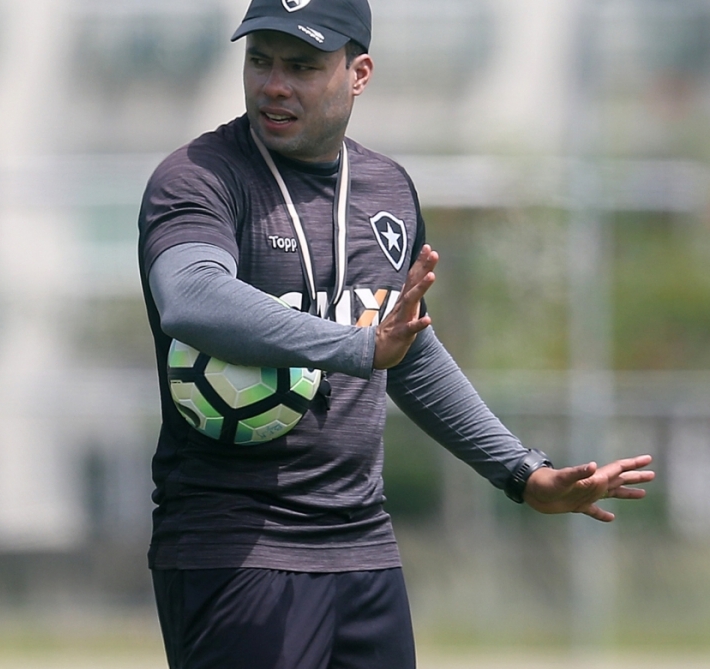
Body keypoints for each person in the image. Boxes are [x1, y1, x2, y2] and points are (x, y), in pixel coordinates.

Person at [135, 0, 656, 667]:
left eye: (302, 66)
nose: (274, 85)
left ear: (359, 73)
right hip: (236, 546)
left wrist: (525, 472)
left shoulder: (388, 189)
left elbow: (407, 351)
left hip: (363, 545)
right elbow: (192, 296)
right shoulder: (201, 177)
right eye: (260, 60)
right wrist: (357, 346)